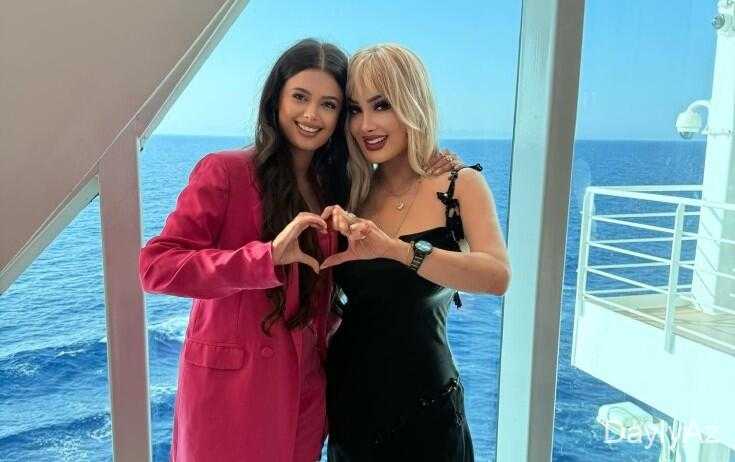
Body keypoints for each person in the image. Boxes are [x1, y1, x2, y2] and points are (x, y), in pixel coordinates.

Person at [139, 38, 457, 462]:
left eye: (329, 104)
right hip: (233, 392)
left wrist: (434, 166)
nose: (311, 115)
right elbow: (156, 267)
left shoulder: (339, 185)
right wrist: (264, 258)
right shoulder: (226, 171)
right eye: (300, 97)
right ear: (276, 100)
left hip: (305, 389)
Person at [321, 44, 511, 461]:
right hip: (351, 415)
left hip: (428, 414)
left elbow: (497, 276)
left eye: (382, 105)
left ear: (412, 103)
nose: (366, 124)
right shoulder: (350, 191)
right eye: (354, 109)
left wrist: (397, 250)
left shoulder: (459, 185)